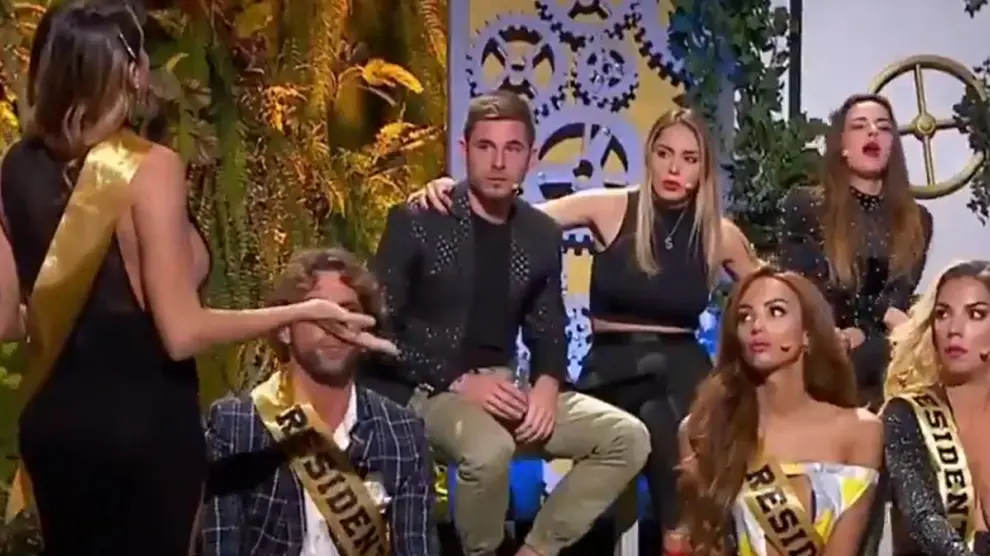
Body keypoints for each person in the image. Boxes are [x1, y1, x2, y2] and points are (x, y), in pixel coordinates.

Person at [0, 4, 395, 554]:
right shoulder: (150, 167)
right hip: (143, 434)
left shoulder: (14, 166)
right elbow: (181, 332)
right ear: (131, 71)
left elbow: (6, 322)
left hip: (55, 432)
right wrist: (302, 311)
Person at [406, 106, 761, 537]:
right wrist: (454, 194)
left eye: (689, 159)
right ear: (649, 156)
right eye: (664, 153)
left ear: (703, 169)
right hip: (614, 368)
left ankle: (681, 536)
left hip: (680, 369)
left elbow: (772, 290)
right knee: (660, 406)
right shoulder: (610, 207)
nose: (674, 168)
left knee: (665, 410)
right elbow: (515, 216)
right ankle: (685, 536)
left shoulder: (720, 235)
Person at [365, 90, 651, 556]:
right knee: (490, 449)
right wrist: (458, 380)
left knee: (627, 437)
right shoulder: (419, 219)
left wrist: (546, 385)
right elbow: (377, 331)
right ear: (465, 150)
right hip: (423, 387)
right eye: (486, 146)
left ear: (530, 157)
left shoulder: (540, 233)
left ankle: (535, 550)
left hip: (505, 388)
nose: (498, 162)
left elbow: (549, 327)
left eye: (512, 148)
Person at [201, 248, 437, 556]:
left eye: (347, 311)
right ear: (285, 329)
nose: (335, 326)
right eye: (318, 313)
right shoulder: (236, 426)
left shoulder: (402, 433)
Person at [675, 266, 882, 556]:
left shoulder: (861, 431)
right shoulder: (703, 431)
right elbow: (705, 543)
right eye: (745, 317)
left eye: (775, 311)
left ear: (807, 333)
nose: (757, 325)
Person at [779, 92, 933, 407]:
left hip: (883, 349)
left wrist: (863, 329)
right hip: (824, 341)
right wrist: (848, 329)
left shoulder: (917, 220)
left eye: (884, 127)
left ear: (892, 147)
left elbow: (896, 300)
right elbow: (806, 287)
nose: (873, 132)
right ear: (842, 145)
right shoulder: (806, 206)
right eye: (860, 126)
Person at [883, 259, 990, 556]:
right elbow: (923, 518)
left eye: (976, 314)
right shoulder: (907, 414)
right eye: (943, 314)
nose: (954, 329)